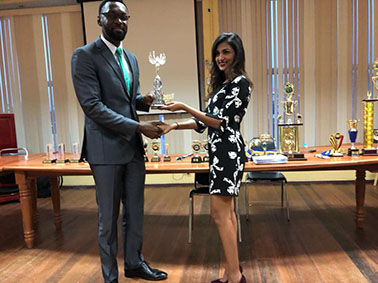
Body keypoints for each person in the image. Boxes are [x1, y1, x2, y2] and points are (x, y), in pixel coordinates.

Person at [71, 1, 167, 282]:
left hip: (132, 150)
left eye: (124, 17)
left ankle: (135, 264)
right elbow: (93, 107)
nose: (119, 21)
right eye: (112, 16)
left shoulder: (132, 59)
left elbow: (128, 101)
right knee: (108, 221)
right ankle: (110, 277)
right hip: (105, 151)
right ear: (99, 19)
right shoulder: (85, 55)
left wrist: (146, 101)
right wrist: (138, 127)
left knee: (135, 213)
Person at [160, 32, 252, 283]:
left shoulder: (241, 83)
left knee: (220, 214)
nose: (220, 57)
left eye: (226, 52)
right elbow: (204, 123)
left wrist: (183, 106)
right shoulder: (222, 87)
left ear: (236, 55)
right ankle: (231, 273)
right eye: (218, 53)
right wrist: (174, 126)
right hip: (220, 152)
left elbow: (218, 122)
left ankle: (234, 277)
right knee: (227, 214)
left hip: (228, 152)